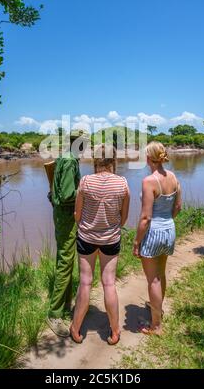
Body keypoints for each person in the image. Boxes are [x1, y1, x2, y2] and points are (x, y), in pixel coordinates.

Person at [70, 144, 130, 345]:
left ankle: (76, 329)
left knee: (85, 282)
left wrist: (86, 222)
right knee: (109, 283)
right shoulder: (122, 183)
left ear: (95, 160)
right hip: (111, 240)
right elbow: (123, 220)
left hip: (86, 238)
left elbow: (77, 216)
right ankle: (114, 332)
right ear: (114, 160)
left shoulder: (85, 181)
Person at [133, 141, 182, 336]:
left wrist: (137, 242)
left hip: (153, 233)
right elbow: (177, 207)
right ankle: (158, 311)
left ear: (148, 158)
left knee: (153, 279)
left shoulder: (149, 181)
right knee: (161, 274)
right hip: (169, 229)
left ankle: (156, 325)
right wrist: (167, 222)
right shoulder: (173, 176)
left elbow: (145, 218)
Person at [46, 133, 82, 337]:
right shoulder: (69, 162)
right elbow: (68, 195)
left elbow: (56, 191)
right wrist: (86, 188)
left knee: (65, 259)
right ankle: (54, 314)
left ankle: (66, 306)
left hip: (62, 216)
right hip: (66, 217)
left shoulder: (65, 157)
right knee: (65, 261)